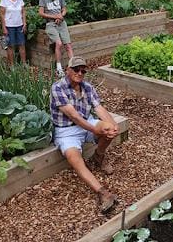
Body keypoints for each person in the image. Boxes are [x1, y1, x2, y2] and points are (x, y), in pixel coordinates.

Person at [50, 56, 120, 213]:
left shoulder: (87, 87)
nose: (79, 73)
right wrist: (95, 130)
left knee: (108, 130)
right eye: (76, 69)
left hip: (86, 124)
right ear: (68, 70)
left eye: (83, 70)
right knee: (75, 159)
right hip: (66, 131)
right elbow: (73, 116)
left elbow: (99, 108)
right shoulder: (58, 87)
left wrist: (113, 126)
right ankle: (102, 193)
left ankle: (99, 156)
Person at [39, 0, 73, 78]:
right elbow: (41, 13)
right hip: (50, 24)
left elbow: (64, 9)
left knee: (68, 45)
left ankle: (73, 66)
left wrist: (61, 16)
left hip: (61, 23)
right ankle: (59, 68)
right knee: (58, 43)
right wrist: (55, 17)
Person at [0, 0, 27, 66]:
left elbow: (23, 12)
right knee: (10, 46)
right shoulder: (4, 0)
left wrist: (24, 23)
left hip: (19, 25)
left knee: (22, 44)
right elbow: (2, 14)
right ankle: (12, 65)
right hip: (9, 26)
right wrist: (4, 27)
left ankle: (24, 63)